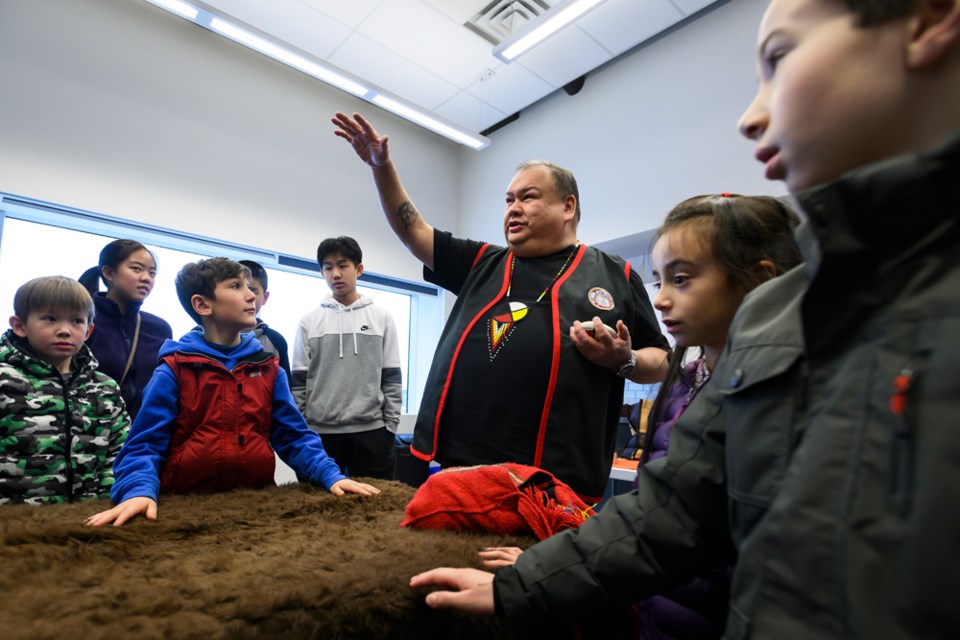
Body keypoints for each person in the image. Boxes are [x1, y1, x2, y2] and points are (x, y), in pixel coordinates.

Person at [408, 0, 960, 636]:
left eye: (779, 60)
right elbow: (671, 514)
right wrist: (524, 585)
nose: (753, 118)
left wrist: (622, 357)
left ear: (926, 19)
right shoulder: (779, 319)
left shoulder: (616, 279)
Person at [332, 112, 669, 500]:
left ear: (568, 206)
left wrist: (623, 360)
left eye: (528, 197)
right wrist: (382, 166)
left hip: (554, 480)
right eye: (508, 200)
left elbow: (661, 361)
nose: (512, 208)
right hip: (461, 464)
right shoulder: (483, 262)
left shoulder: (616, 275)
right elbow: (413, 231)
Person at [85, 258, 379, 527]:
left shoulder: (268, 367)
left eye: (250, 287)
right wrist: (138, 491)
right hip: (184, 507)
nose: (251, 295)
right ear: (202, 305)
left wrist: (331, 476)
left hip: (255, 504)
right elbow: (144, 445)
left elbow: (294, 436)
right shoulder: (173, 370)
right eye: (237, 287)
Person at [0, 276, 129, 504]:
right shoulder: (4, 379)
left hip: (87, 519)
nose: (64, 330)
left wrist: (106, 503)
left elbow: (120, 453)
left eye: (76, 321)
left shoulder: (105, 388)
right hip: (12, 522)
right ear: (19, 326)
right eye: (50, 319)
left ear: (88, 332)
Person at [291, 236, 402, 480]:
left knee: (376, 508)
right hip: (320, 435)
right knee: (316, 509)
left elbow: (392, 377)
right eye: (328, 267)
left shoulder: (381, 318)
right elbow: (298, 381)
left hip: (372, 432)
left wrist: (390, 428)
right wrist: (304, 429)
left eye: (343, 265)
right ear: (321, 272)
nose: (336, 274)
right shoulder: (309, 321)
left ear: (358, 269)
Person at [79, 239, 173, 420]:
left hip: (139, 437)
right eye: (136, 269)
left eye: (152, 273)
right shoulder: (81, 321)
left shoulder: (159, 329)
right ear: (108, 273)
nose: (146, 278)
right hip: (89, 432)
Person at [238, 259, 291, 381]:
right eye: (238, 288)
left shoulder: (276, 341)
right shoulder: (204, 335)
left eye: (253, 290)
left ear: (265, 297)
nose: (248, 296)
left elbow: (284, 395)